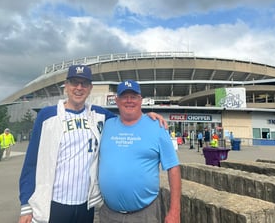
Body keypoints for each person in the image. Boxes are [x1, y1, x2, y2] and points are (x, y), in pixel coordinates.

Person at [18, 65, 166, 223]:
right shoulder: (47, 116)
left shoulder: (100, 115)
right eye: (75, 82)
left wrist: (145, 116)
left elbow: (126, 116)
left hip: (85, 206)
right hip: (54, 203)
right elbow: (32, 162)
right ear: (66, 86)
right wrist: (26, 204)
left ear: (90, 89)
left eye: (84, 84)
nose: (79, 88)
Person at [98, 80, 181, 223]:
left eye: (134, 96)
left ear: (141, 100)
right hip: (108, 214)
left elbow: (173, 168)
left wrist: (175, 211)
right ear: (117, 101)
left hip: (144, 215)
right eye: (124, 97)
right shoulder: (106, 125)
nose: (129, 101)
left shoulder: (157, 127)